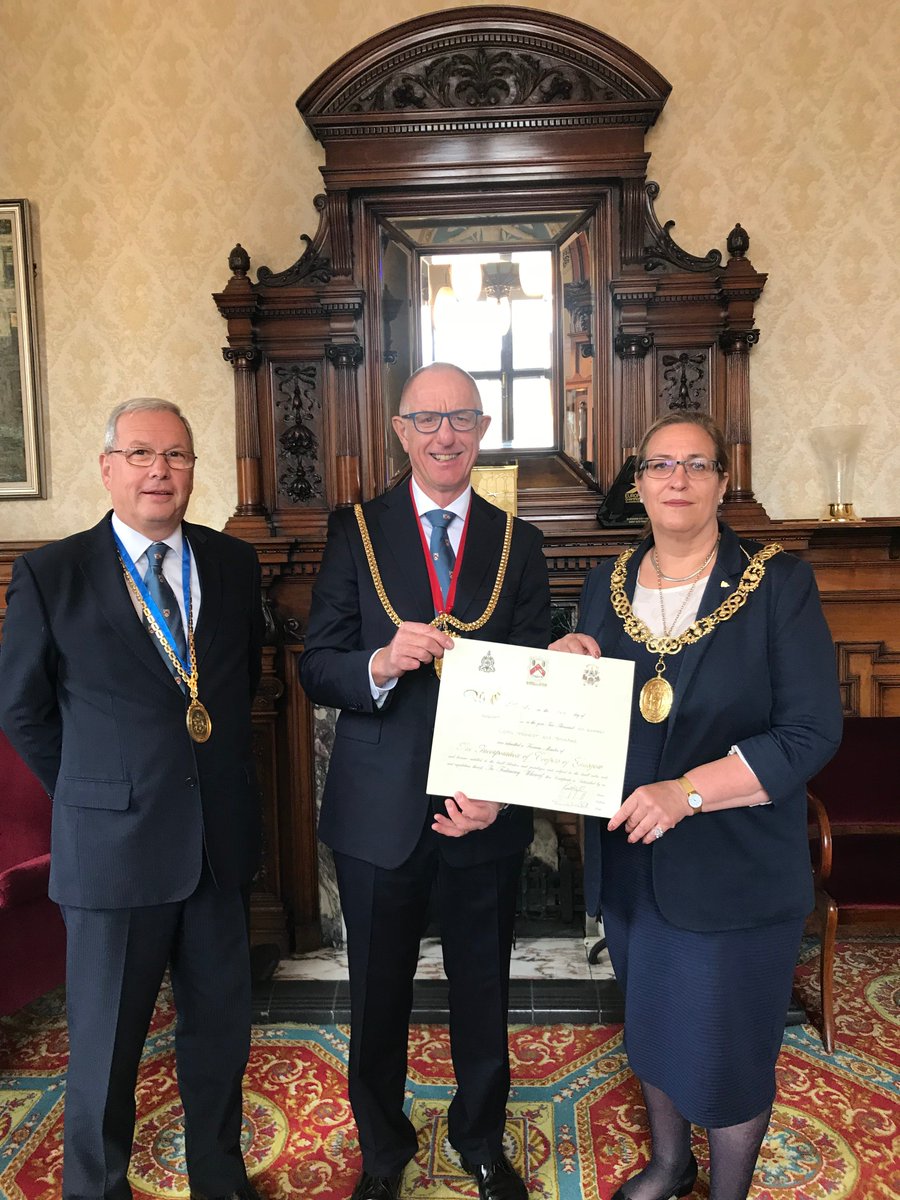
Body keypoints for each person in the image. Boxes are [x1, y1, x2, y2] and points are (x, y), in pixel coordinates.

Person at [551, 411, 842, 1200]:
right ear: (637, 483)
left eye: (696, 465)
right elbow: (595, 723)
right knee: (654, 1027)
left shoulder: (775, 581)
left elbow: (813, 731)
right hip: (632, 866)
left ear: (721, 483)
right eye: (659, 466)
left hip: (736, 870)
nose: (676, 479)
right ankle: (672, 1164)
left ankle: (728, 1190)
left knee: (729, 1050)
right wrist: (566, 665)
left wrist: (686, 792)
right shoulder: (605, 588)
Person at [0, 398, 264, 1200]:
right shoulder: (53, 572)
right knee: (107, 1047)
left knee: (219, 1037)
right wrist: (90, 794)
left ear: (193, 469)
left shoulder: (231, 564)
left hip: (216, 847)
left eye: (177, 456)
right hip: (112, 854)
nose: (161, 470)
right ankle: (97, 1188)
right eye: (142, 454)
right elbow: (22, 709)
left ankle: (220, 1179)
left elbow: (236, 684)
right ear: (108, 467)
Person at [298, 362, 551, 1200]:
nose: (447, 434)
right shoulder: (355, 531)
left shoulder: (521, 543)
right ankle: (382, 1148)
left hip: (483, 810)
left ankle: (481, 1138)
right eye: (428, 419)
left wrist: (502, 791)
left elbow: (536, 684)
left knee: (485, 989)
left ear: (483, 431)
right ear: (401, 431)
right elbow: (317, 667)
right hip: (378, 812)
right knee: (376, 996)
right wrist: (378, 660)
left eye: (464, 419)